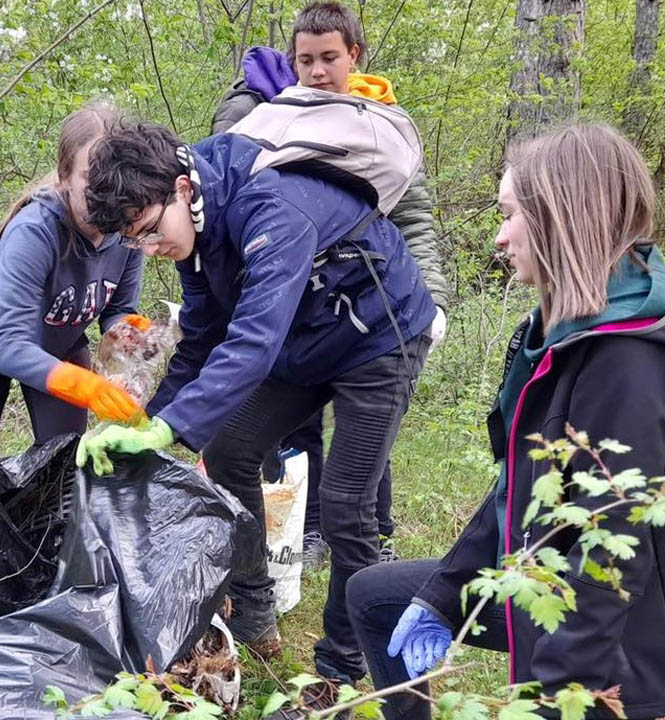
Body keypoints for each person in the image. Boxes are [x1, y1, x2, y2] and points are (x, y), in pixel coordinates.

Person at [346, 123, 665, 719]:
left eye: (510, 215)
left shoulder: (629, 356)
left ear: (562, 216)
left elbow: (611, 551)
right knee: (377, 597)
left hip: (634, 631)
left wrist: (552, 695)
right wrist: (445, 594)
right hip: (547, 572)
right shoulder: (559, 333)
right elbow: (521, 488)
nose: (501, 237)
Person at [76, 119, 437, 696]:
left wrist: (171, 427)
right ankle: (253, 609)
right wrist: (142, 423)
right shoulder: (195, 232)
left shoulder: (272, 206)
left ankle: (342, 672)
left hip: (378, 336)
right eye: (135, 242)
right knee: (229, 451)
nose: (149, 249)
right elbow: (199, 339)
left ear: (182, 188)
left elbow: (252, 340)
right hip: (305, 340)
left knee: (346, 505)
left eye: (148, 230)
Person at [213, 2, 452, 570]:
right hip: (302, 307)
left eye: (328, 59)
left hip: (375, 297)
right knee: (294, 428)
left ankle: (373, 537)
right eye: (306, 61)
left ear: (354, 56)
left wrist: (434, 298)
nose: (317, 71)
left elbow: (414, 220)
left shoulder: (380, 124)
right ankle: (313, 532)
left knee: (365, 439)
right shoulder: (279, 117)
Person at [0, 102, 148, 472]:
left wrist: (127, 336)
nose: (106, 193)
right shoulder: (34, 231)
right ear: (65, 176)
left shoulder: (127, 230)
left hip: (59, 342)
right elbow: (6, 345)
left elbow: (119, 306)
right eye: (91, 177)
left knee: (65, 462)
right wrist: (85, 386)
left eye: (115, 177)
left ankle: (47, 531)